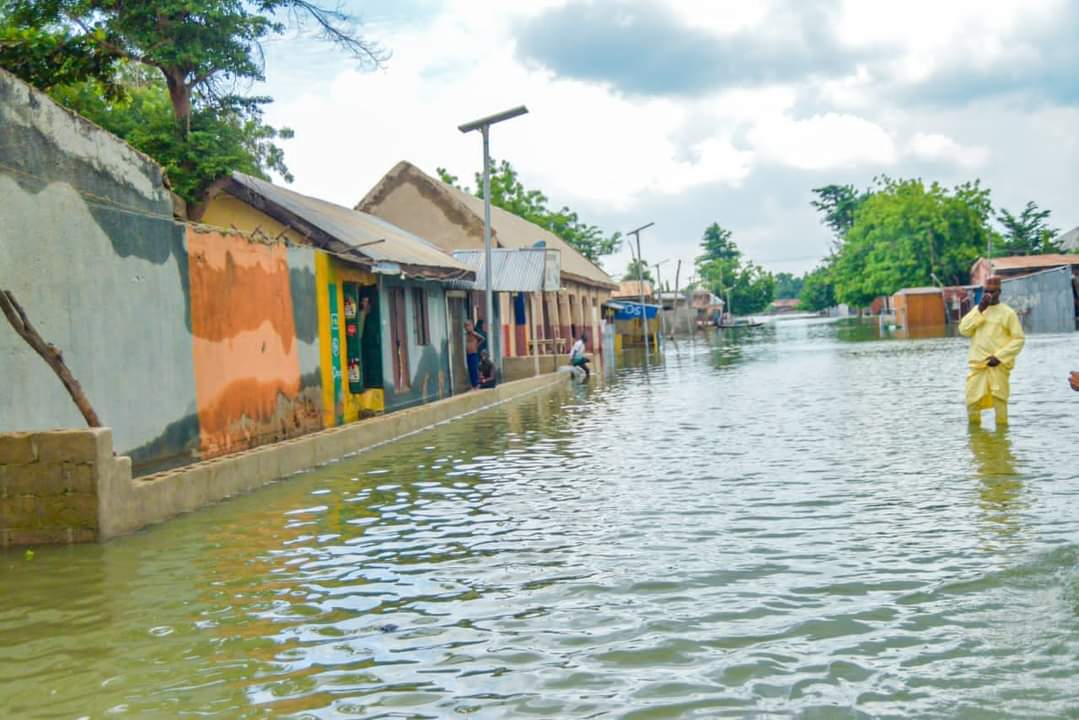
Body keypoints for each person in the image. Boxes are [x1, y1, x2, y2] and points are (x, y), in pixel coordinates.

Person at [958, 276, 1025, 426]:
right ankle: (976, 440)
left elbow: (1018, 339)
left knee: (999, 402)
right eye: (986, 291)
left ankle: (1001, 443)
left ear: (999, 292)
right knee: (972, 402)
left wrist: (999, 357)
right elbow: (963, 330)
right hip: (978, 367)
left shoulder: (1008, 313)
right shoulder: (978, 310)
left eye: (992, 291)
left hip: (998, 366)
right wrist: (980, 310)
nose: (988, 294)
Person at [464, 320, 483, 390]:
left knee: (474, 369)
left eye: (468, 326)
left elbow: (482, 338)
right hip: (468, 353)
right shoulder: (466, 334)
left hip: (473, 353)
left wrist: (476, 346)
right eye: (465, 326)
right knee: (470, 369)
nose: (467, 328)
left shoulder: (474, 333)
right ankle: (473, 385)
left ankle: (477, 384)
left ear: (472, 326)